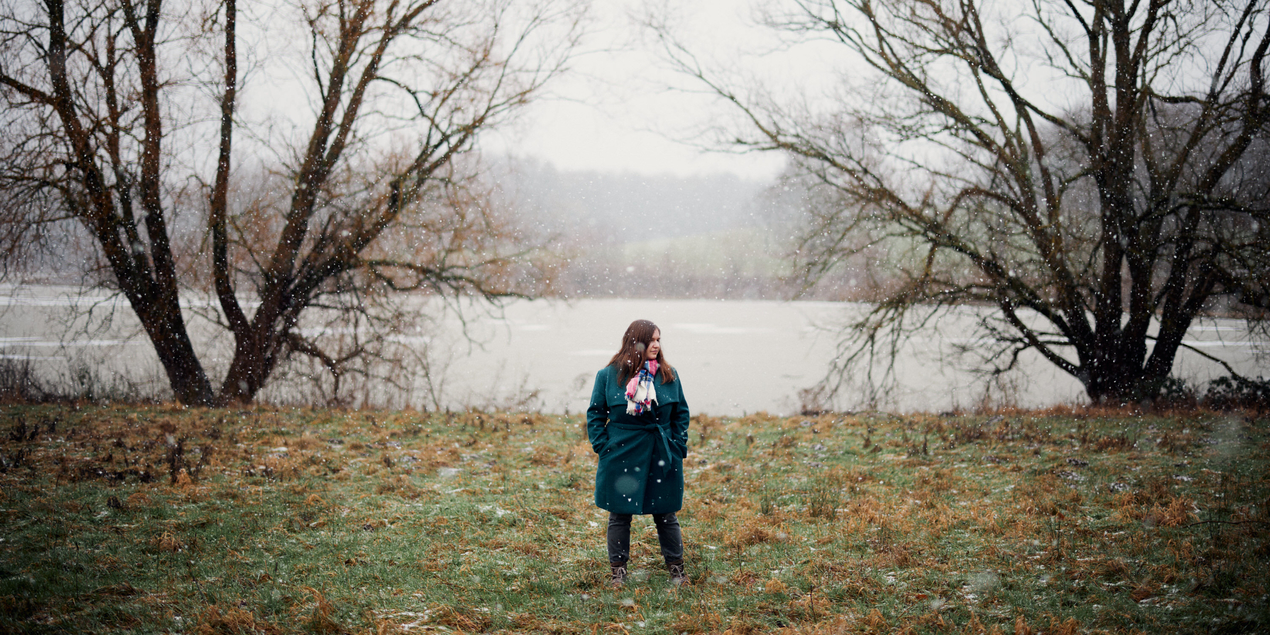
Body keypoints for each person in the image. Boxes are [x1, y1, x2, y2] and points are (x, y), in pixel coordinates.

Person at [587, 319, 691, 587]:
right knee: (619, 514)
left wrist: (677, 445)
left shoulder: (669, 375)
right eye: (652, 340)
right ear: (636, 342)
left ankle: (677, 570)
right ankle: (618, 573)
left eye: (659, 339)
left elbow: (681, 414)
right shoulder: (608, 375)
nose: (657, 345)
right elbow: (596, 414)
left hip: (662, 453)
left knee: (666, 514)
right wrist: (603, 446)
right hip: (621, 453)